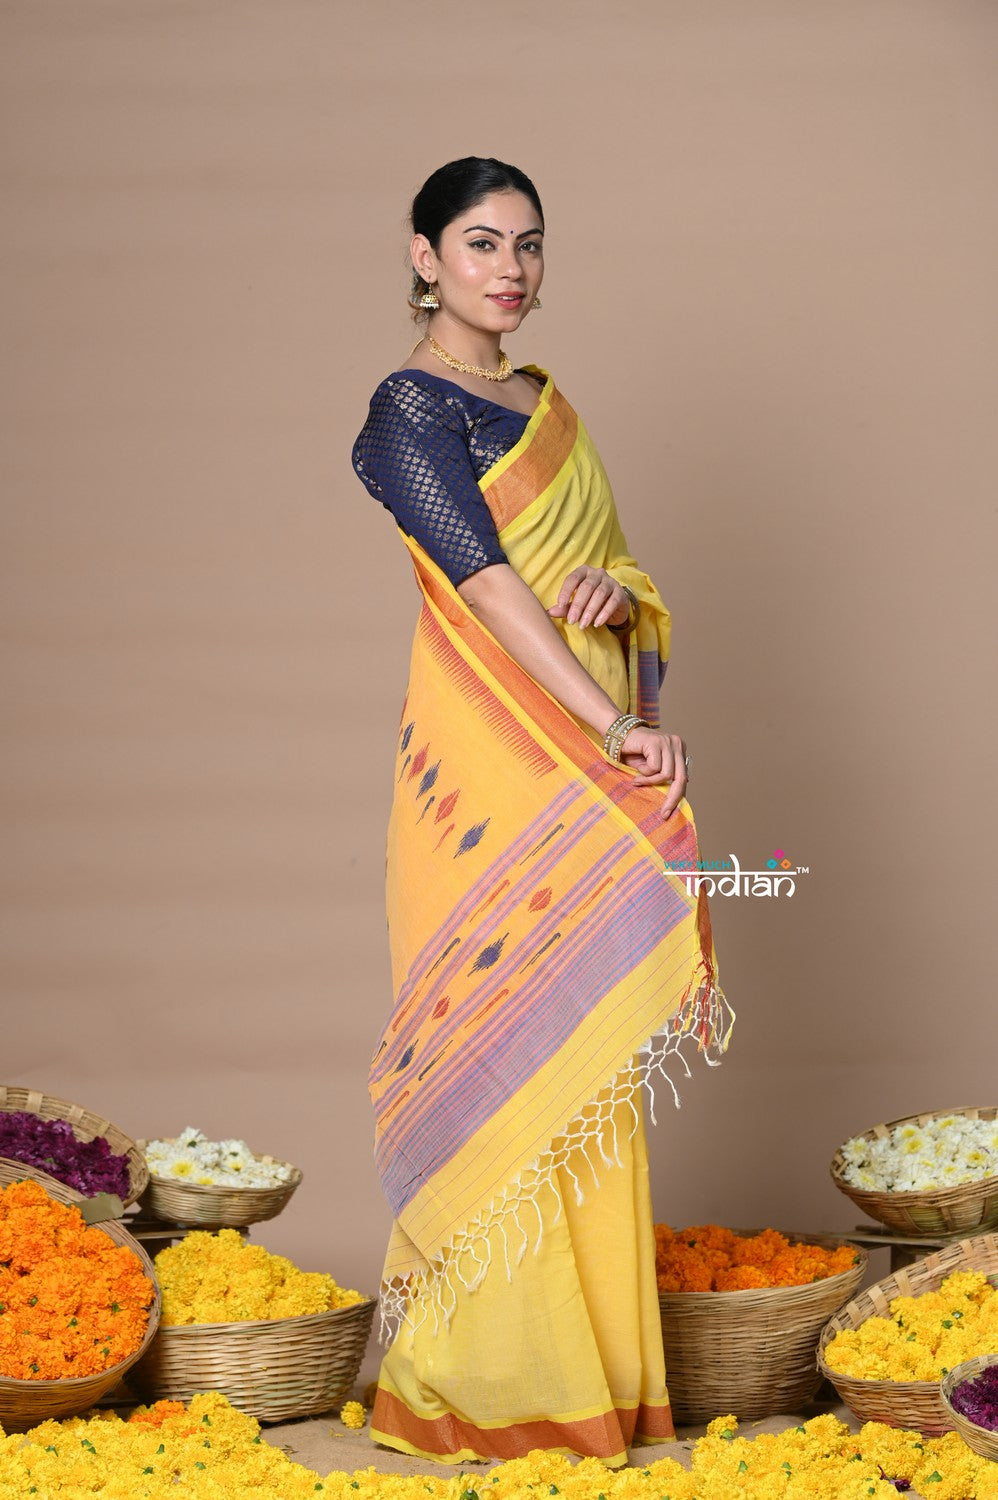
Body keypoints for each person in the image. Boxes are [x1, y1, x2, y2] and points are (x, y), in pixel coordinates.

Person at [352, 157, 732, 1468]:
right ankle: (488, 1382)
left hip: (585, 737)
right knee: (504, 1051)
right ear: (424, 258)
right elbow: (485, 582)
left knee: (588, 1046)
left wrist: (619, 595)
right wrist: (613, 725)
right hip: (496, 764)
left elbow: (597, 568)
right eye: (479, 242)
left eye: (528, 243)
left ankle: (593, 1381)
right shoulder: (407, 409)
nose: (508, 268)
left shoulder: (545, 406)